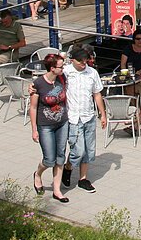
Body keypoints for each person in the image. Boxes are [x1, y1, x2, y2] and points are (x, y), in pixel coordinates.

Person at [62, 45, 107, 193]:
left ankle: (83, 178)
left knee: (89, 150)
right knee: (78, 150)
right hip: (73, 116)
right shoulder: (66, 72)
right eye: (80, 61)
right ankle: (68, 167)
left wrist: (103, 114)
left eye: (85, 61)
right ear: (72, 60)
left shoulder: (92, 73)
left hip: (89, 116)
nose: (83, 63)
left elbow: (97, 94)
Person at [29, 53, 70, 203]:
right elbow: (33, 108)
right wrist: (34, 129)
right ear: (52, 68)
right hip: (45, 125)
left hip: (62, 122)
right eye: (60, 66)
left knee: (60, 157)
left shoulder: (62, 78)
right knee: (49, 159)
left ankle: (57, 190)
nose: (63, 68)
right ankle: (38, 174)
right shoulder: (38, 84)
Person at [120, 27, 141, 95]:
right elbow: (123, 63)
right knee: (128, 84)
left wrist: (140, 71)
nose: (140, 41)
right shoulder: (128, 48)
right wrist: (125, 72)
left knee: (131, 87)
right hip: (128, 73)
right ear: (134, 39)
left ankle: (133, 103)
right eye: (138, 39)